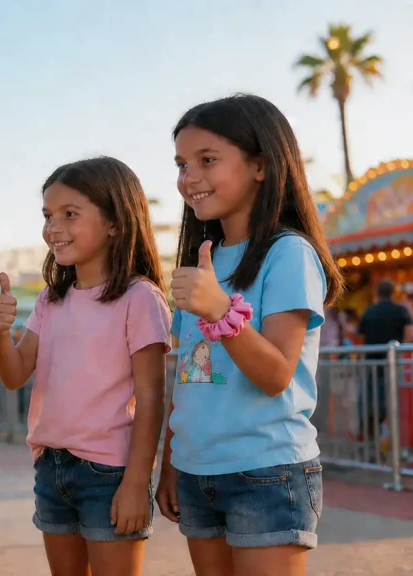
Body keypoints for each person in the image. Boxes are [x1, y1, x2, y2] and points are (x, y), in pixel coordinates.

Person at [158, 94, 345, 576]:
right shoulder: (200, 261)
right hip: (197, 472)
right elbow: (186, 376)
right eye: (182, 163)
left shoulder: (289, 254)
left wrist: (220, 308)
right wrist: (170, 462)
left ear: (260, 165)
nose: (189, 177)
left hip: (267, 472)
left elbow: (276, 374)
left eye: (207, 160)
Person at [0, 157, 172, 576]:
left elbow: (150, 399)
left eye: (70, 214)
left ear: (115, 223)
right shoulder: (50, 301)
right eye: (48, 215)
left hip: (110, 472)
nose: (54, 227)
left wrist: (135, 483)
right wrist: (0, 332)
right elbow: (14, 373)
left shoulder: (140, 298)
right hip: (50, 467)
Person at [356, 279, 413, 439]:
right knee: (393, 402)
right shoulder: (401, 311)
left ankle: (370, 436)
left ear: (377, 292)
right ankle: (392, 439)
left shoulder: (370, 311)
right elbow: (409, 335)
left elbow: (360, 336)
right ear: (393, 292)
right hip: (393, 363)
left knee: (368, 401)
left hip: (370, 364)